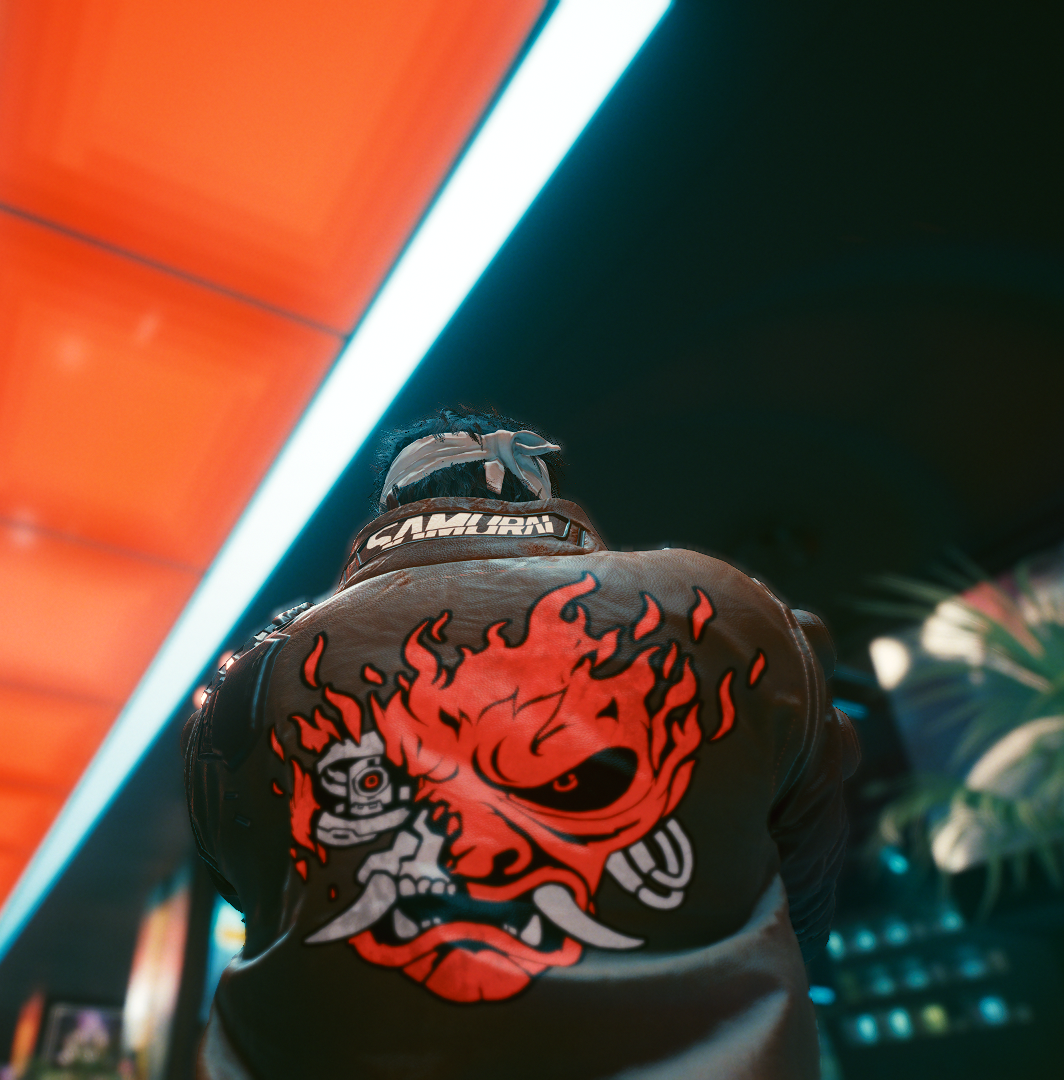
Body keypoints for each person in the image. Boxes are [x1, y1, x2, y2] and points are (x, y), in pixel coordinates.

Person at [184, 408, 857, 1079]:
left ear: (392, 504)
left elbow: (256, 892)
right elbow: (803, 875)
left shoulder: (255, 676)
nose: (473, 851)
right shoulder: (725, 608)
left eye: (567, 781)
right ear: (542, 491)